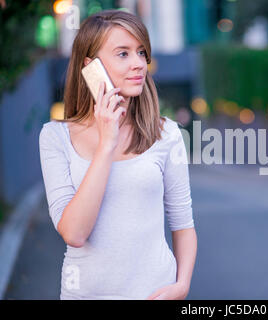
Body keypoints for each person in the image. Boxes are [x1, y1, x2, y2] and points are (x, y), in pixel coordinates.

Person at [38, 9, 197, 300]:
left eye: (141, 52)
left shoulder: (167, 134)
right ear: (90, 67)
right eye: (123, 54)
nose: (138, 64)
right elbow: (74, 234)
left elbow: (183, 223)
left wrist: (182, 285)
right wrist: (106, 143)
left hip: (155, 294)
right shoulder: (55, 137)